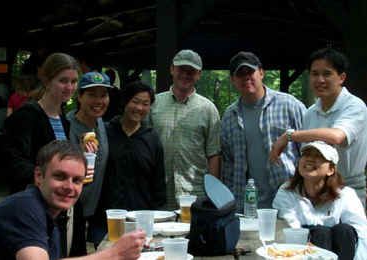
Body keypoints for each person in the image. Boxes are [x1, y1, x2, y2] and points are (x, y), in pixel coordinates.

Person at [0, 140, 146, 260]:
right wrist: (114, 254)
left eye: (77, 180)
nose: (69, 187)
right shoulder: (24, 207)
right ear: (39, 176)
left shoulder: (51, 212)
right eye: (60, 176)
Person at [4, 53, 86, 257]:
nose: (69, 87)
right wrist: (49, 177)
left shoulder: (65, 121)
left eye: (74, 81)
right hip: (33, 209)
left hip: (61, 209)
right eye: (63, 81)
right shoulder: (26, 116)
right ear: (47, 80)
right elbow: (12, 163)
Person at [269, 48, 367, 208]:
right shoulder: (310, 113)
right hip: (315, 192)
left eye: (327, 74)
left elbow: (336, 137)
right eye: (315, 74)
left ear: (341, 77)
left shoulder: (354, 106)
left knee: (347, 233)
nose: (320, 79)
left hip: (349, 190)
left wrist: (288, 136)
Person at [220, 51, 306, 213]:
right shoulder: (229, 117)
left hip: (290, 202)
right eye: (240, 74)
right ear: (233, 79)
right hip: (245, 206)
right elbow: (228, 165)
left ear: (261, 72)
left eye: (250, 72)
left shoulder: (289, 105)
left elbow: (309, 150)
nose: (246, 77)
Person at [148, 49, 221, 210]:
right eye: (182, 69)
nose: (186, 75)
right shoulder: (153, 104)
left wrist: (212, 194)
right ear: (172, 69)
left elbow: (214, 154)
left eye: (191, 71)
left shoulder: (208, 109)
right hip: (159, 192)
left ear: (199, 74)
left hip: (196, 193)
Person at [272, 141, 367, 260]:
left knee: (344, 230)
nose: (310, 159)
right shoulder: (286, 191)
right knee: (320, 233)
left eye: (318, 156)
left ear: (331, 169)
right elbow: (291, 232)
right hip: (302, 254)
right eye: (306, 155)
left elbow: (362, 236)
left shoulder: (346, 194)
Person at [68, 71, 114, 247]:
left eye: (103, 95)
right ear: (79, 96)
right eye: (92, 95)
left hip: (96, 211)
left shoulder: (101, 123)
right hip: (71, 209)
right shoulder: (67, 125)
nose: (99, 101)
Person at [105, 81, 166, 210]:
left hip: (142, 215)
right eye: (135, 101)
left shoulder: (152, 138)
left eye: (145, 104)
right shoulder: (106, 132)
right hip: (107, 216)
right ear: (125, 102)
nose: (139, 108)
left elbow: (158, 183)